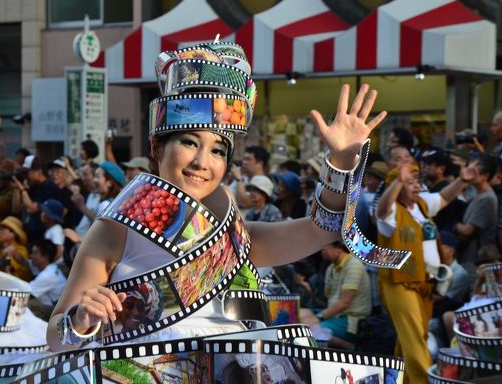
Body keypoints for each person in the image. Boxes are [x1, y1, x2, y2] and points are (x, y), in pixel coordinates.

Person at [46, 47, 388, 355]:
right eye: (190, 142)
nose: (202, 163)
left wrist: (341, 162)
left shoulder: (231, 230)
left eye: (218, 150)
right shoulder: (114, 230)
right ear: (156, 147)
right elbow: (56, 337)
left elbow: (321, 230)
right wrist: (79, 320)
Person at [375, 160, 476, 384]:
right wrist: (398, 181)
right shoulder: (390, 213)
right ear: (397, 187)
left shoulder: (420, 206)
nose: (417, 186)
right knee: (412, 332)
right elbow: (381, 209)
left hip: (425, 283)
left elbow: (443, 197)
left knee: (414, 334)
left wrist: (462, 180)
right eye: (409, 182)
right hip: (399, 282)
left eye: (417, 181)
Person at [300, 241, 372, 349]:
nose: (322, 251)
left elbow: (344, 302)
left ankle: (350, 347)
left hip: (350, 319)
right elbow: (328, 299)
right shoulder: (331, 268)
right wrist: (306, 288)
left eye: (325, 247)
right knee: (298, 314)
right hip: (335, 314)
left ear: (339, 248)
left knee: (307, 329)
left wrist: (318, 317)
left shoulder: (354, 265)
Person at [454, 154, 498, 284]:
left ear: (485, 176)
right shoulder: (476, 194)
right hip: (468, 256)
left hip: (476, 259)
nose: (469, 173)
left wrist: (452, 225)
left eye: (474, 170)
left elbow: (468, 230)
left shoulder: (487, 199)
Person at [14, 156, 59, 244]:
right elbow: (16, 209)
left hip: (41, 233)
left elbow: (31, 208)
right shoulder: (33, 186)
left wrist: (22, 190)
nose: (26, 175)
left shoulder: (50, 187)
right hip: (29, 231)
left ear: (39, 171)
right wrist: (17, 189)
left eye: (28, 172)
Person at [28, 239, 68, 320]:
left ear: (45, 257)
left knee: (27, 303)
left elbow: (26, 293)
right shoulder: (52, 268)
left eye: (35, 253)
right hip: (58, 307)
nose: (31, 256)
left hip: (54, 312)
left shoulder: (47, 275)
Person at [230, 146, 270, 212]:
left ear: (260, 164)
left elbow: (244, 202)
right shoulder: (243, 178)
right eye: (244, 159)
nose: (244, 162)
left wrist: (238, 178)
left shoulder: (264, 181)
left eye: (248, 159)